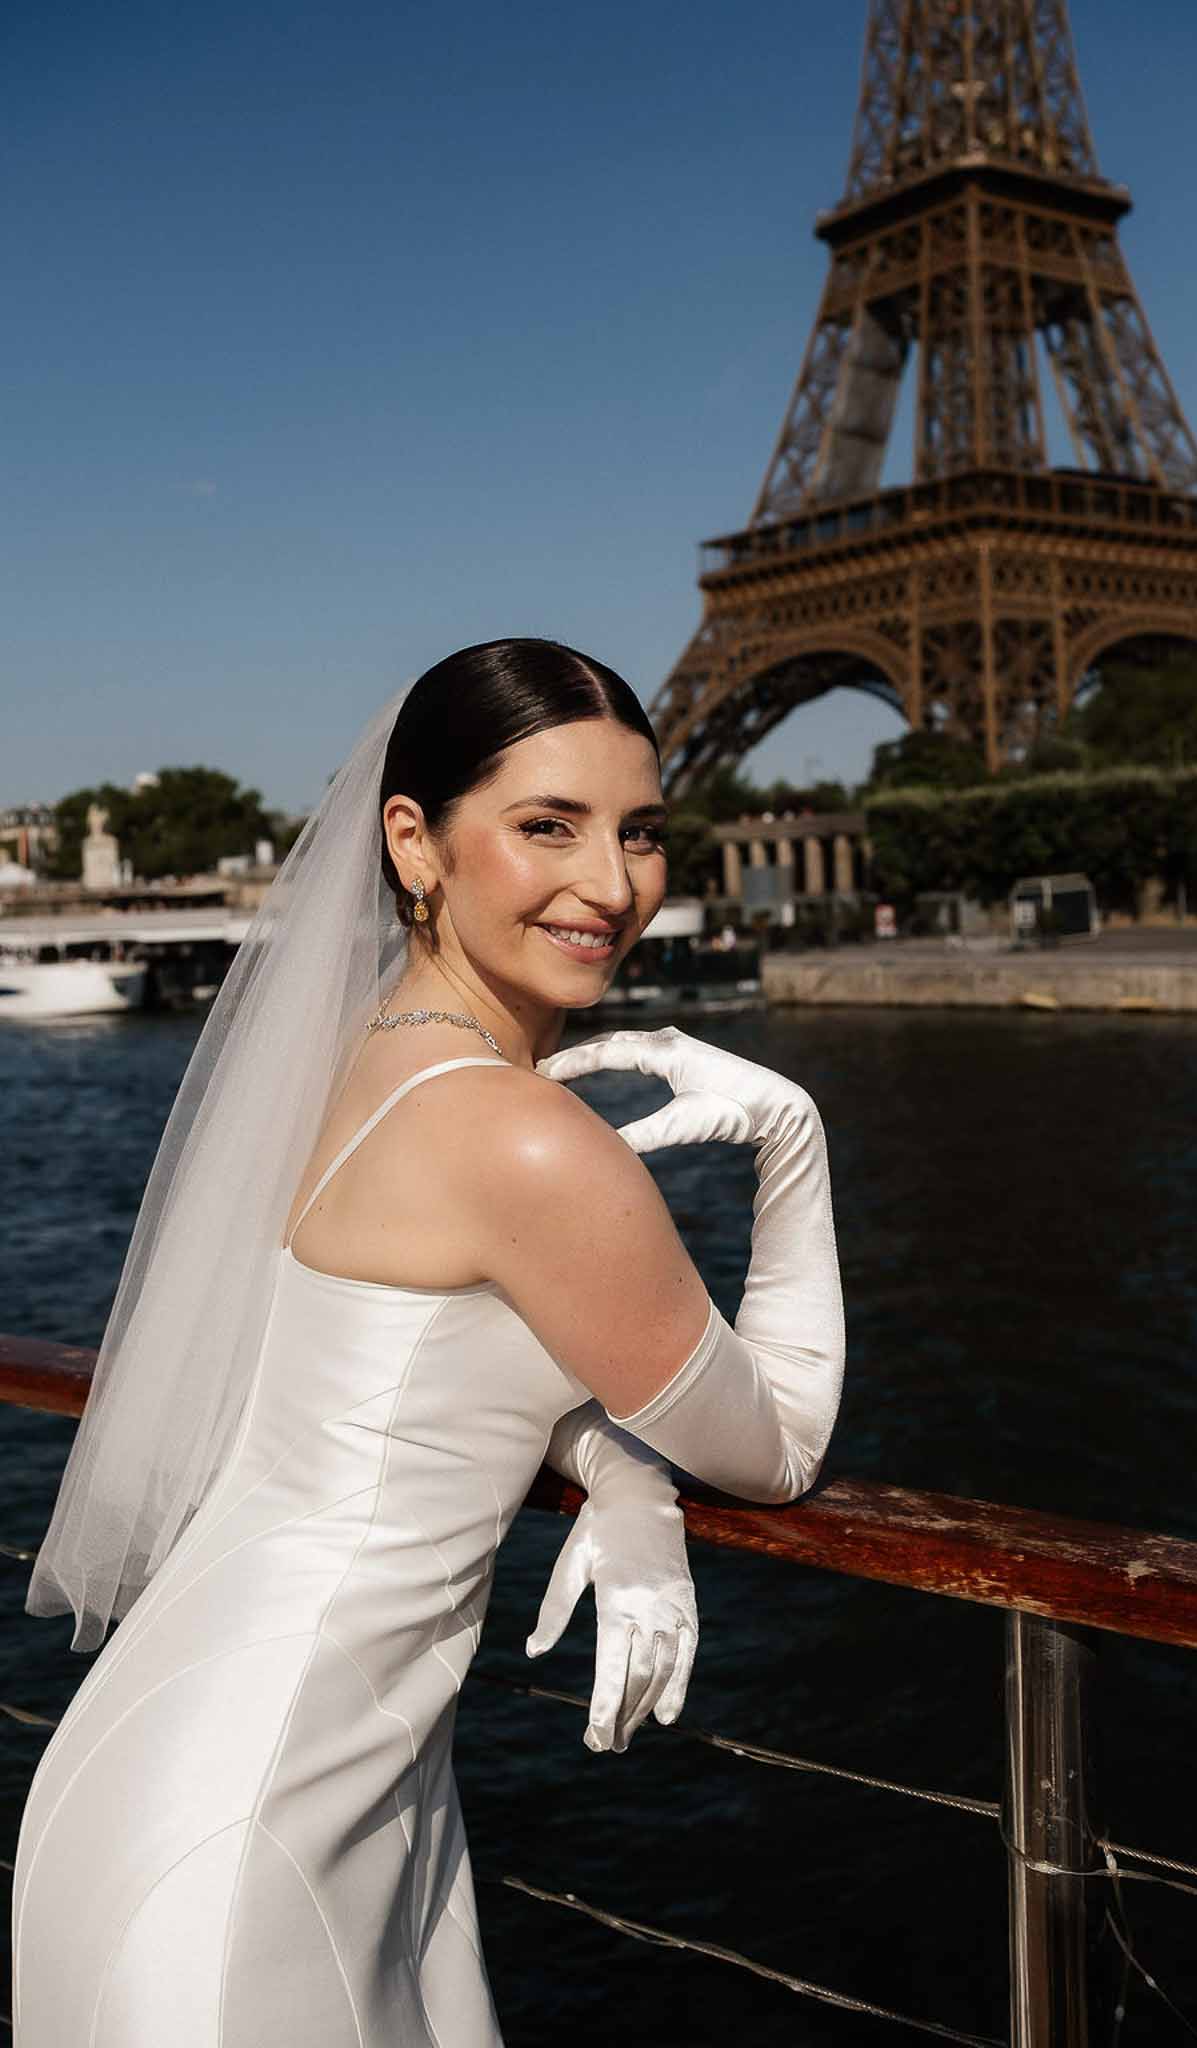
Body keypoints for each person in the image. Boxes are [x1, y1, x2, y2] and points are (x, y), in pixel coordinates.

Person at [11, 639, 844, 2045]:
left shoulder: (355, 1070)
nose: (609, 882)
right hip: (269, 1817)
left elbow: (398, 1367)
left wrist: (614, 1461)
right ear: (413, 842)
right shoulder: (524, 1136)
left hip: (194, 1760)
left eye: (638, 831)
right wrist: (790, 1138)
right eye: (544, 827)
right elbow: (780, 1447)